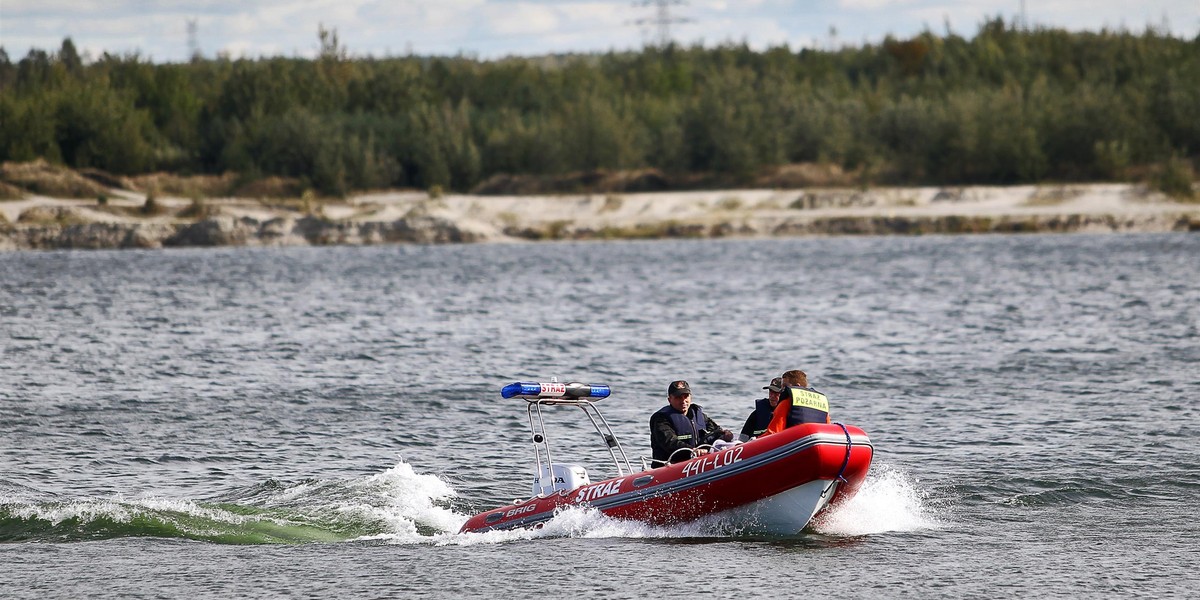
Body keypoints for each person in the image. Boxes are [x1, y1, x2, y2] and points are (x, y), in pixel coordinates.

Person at [649, 380, 733, 464]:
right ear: (669, 399)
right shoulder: (661, 419)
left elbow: (715, 431)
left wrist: (724, 435)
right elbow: (669, 442)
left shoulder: (698, 415)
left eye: (686, 396)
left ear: (690, 397)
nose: (683, 400)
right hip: (672, 465)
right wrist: (693, 450)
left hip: (698, 462)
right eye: (678, 397)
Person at [764, 369, 831, 436]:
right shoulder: (821, 403)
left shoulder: (786, 403)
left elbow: (773, 432)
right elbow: (828, 429)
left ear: (797, 386)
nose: (782, 390)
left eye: (784, 386)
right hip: (818, 440)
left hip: (794, 441)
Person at [739, 376, 782, 441]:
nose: (772, 396)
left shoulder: (788, 412)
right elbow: (742, 438)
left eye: (776, 393)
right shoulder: (758, 413)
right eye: (771, 392)